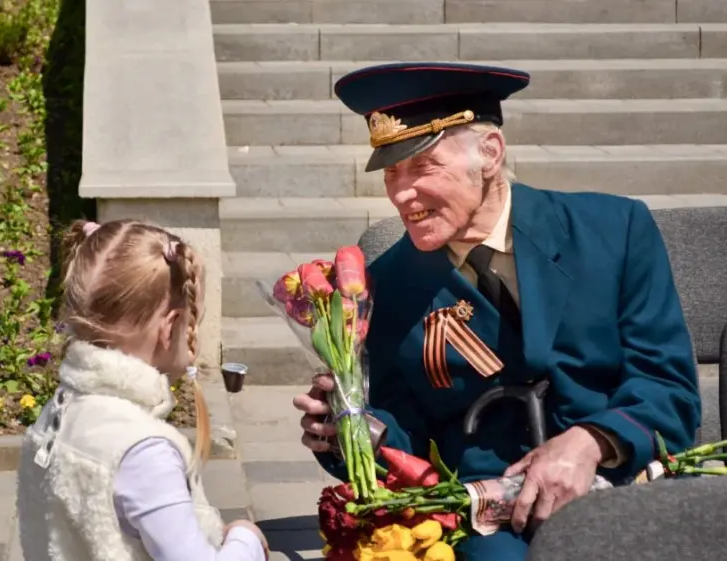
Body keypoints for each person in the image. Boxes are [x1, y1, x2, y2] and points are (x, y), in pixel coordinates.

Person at [292, 62, 702, 560]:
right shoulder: (391, 285)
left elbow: (669, 390)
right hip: (491, 519)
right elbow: (409, 439)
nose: (401, 194)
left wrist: (592, 441)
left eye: (423, 167)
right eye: (391, 172)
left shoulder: (614, 231)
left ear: (489, 155)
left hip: (623, 482)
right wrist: (353, 430)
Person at [16, 219, 269, 561]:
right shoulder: (144, 451)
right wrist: (245, 540)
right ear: (170, 328)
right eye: (196, 319)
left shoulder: (61, 410)